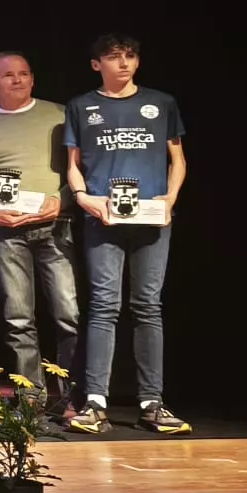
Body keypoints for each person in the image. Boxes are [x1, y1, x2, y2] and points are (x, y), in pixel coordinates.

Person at [64, 33, 189, 435]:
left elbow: (178, 159)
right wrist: (84, 197)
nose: (124, 64)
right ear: (96, 64)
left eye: (130, 56)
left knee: (148, 306)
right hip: (104, 219)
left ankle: (152, 402)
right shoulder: (82, 107)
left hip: (151, 219)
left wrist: (169, 199)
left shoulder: (161, 103)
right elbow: (73, 164)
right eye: (114, 57)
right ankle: (95, 402)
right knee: (103, 304)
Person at [0, 51, 79, 411]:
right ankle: (32, 396)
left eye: (24, 73)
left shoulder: (59, 115)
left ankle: (75, 396)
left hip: (55, 224)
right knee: (18, 316)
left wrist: (60, 202)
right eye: (8, 75)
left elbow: (80, 168)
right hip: (5, 231)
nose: (18, 80)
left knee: (67, 313)